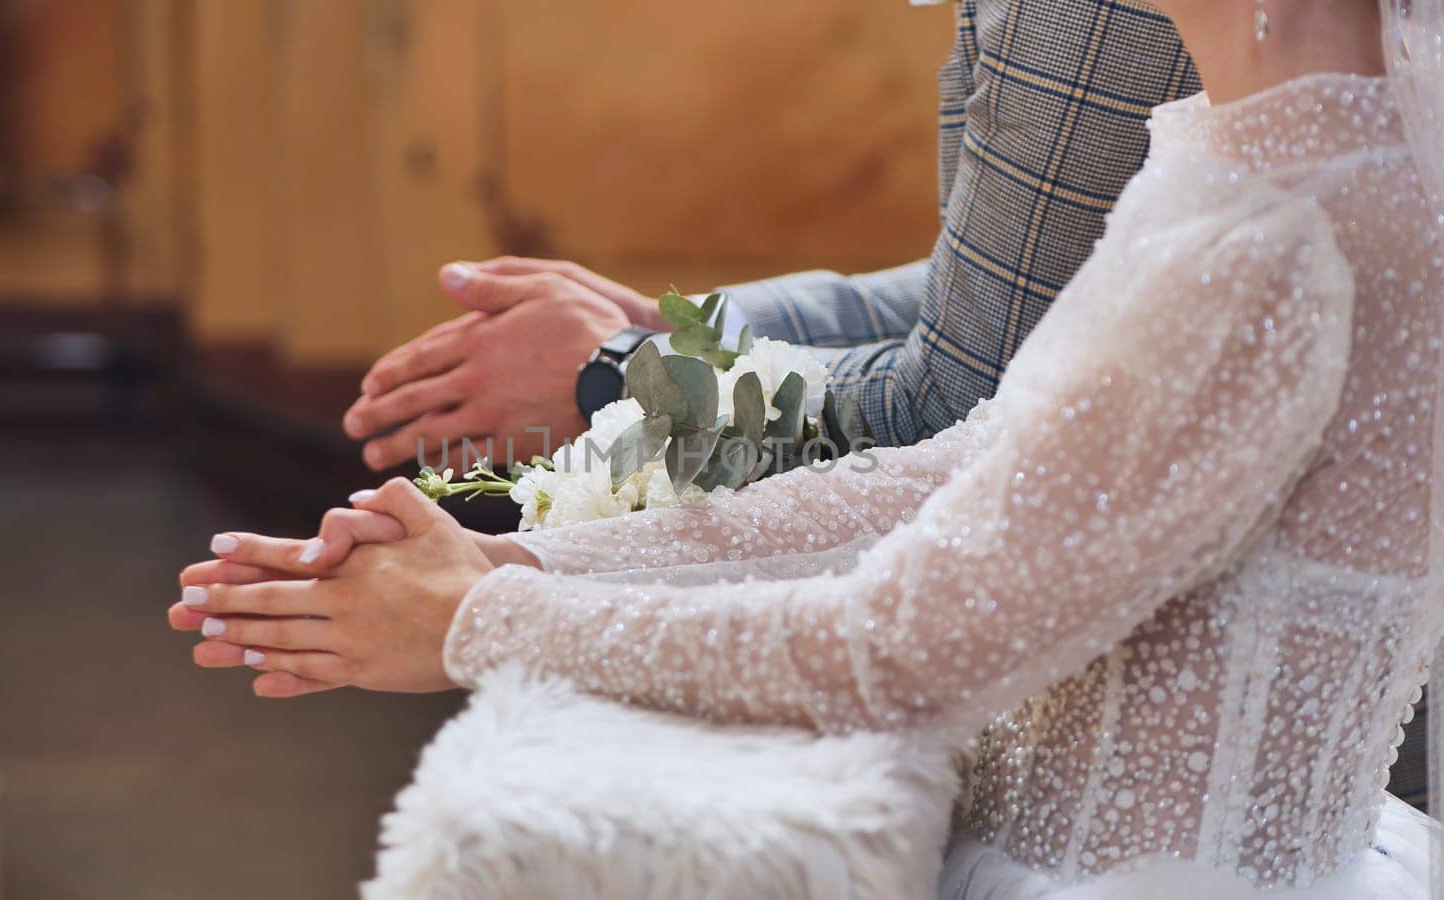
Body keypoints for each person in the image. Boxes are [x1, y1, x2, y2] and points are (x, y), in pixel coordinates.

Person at [171, 0, 1444, 895]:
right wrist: (526, 575)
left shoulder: (1273, 236)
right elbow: (976, 459)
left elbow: (901, 636)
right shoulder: (1257, 154)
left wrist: (480, 625)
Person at [340, 0, 1200, 472]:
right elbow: (1016, 284)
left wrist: (621, 375)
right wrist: (676, 326)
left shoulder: (1090, 15)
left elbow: (966, 407)